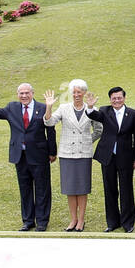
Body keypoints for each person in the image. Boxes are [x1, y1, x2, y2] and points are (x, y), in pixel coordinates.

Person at [0, 80, 57, 231]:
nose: (24, 96)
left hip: (39, 155)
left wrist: (52, 151)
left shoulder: (43, 107)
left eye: (27, 93)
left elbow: (51, 130)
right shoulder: (12, 108)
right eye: (21, 93)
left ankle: (41, 222)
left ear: (32, 93)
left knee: (42, 189)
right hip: (20, 156)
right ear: (17, 95)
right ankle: (28, 221)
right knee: (25, 189)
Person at [42, 79, 100, 231]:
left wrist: (87, 140)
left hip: (84, 154)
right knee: (70, 188)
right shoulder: (63, 108)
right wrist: (49, 107)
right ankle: (73, 219)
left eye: (79, 92)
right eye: (74, 92)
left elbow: (99, 130)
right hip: (67, 154)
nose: (76, 95)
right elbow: (49, 123)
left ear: (84, 93)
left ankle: (81, 220)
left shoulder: (92, 108)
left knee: (82, 188)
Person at [86, 86, 135, 233]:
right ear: (110, 99)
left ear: (124, 98)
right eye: (114, 98)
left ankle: (128, 223)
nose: (117, 100)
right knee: (109, 189)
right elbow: (93, 116)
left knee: (126, 190)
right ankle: (112, 222)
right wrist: (91, 106)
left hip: (126, 157)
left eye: (119, 98)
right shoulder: (105, 111)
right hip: (108, 157)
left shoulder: (133, 114)